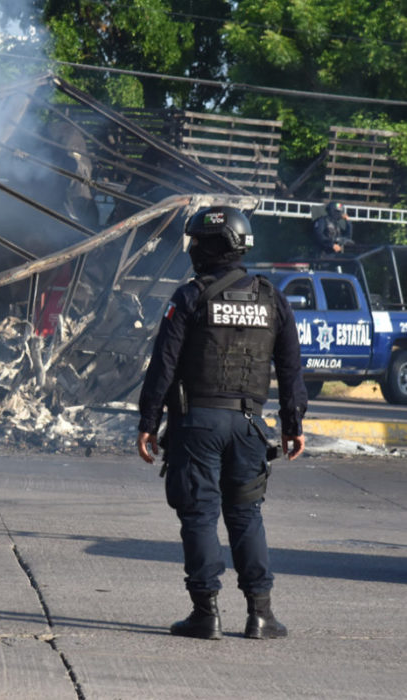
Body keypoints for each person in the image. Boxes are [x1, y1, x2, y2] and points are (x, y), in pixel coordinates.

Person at [136, 205, 307, 641]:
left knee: (198, 514)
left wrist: (148, 422)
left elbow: (163, 366)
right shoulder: (272, 297)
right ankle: (261, 615)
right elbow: (290, 368)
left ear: (215, 246)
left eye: (197, 241)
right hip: (250, 426)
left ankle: (205, 613)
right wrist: (292, 425)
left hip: (198, 426)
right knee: (246, 514)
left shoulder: (190, 296)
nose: (192, 248)